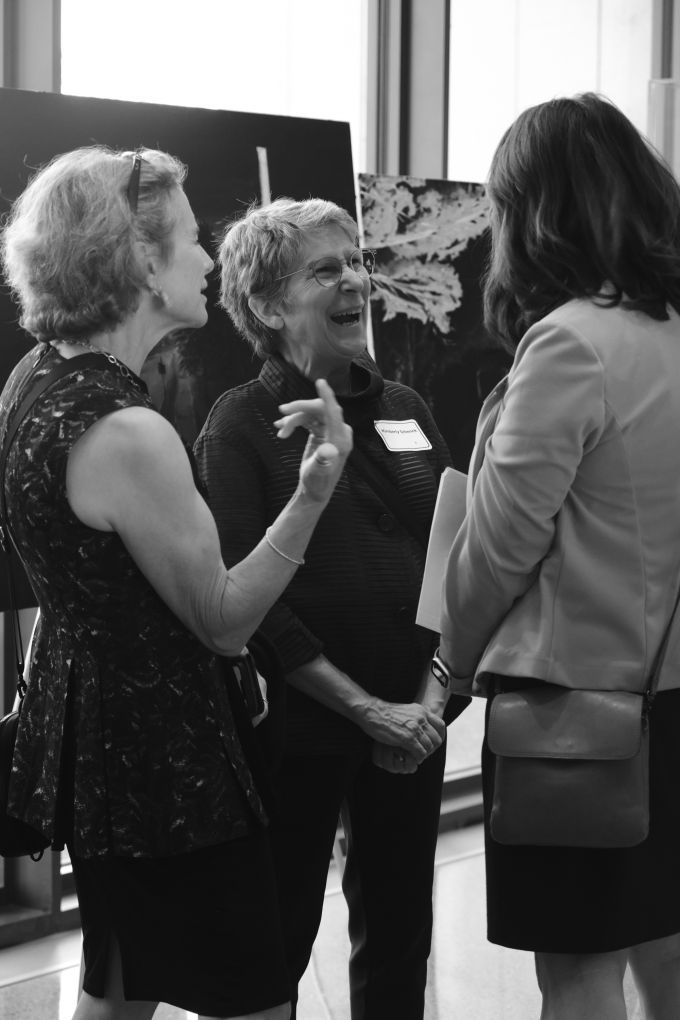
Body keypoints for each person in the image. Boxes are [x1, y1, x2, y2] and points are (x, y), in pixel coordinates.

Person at [0, 146, 352, 1020]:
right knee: (256, 1004)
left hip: (102, 764)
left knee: (117, 991)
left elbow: (79, 587)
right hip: (174, 780)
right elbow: (225, 622)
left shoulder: (31, 382)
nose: (205, 259)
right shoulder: (128, 431)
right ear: (141, 261)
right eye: (192, 241)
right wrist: (311, 494)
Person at [437, 92, 680, 1020]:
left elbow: (497, 548)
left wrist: (444, 665)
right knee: (666, 950)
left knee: (579, 973)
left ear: (532, 212)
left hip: (578, 723)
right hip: (672, 703)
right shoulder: (667, 331)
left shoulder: (570, 343)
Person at [194, 197, 467, 1020]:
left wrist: (422, 707)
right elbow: (247, 594)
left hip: (413, 727)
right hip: (301, 734)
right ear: (270, 307)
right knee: (276, 943)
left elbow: (458, 560)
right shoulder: (239, 425)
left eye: (356, 261)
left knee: (398, 943)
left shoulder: (408, 411)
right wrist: (365, 711)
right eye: (327, 268)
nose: (356, 278)